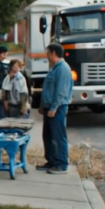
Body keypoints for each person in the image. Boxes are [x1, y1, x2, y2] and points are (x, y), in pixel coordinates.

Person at [38, 42, 74, 174]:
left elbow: (61, 91)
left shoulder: (63, 68)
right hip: (49, 107)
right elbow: (48, 89)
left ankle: (61, 163)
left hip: (57, 108)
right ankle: (51, 161)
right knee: (48, 135)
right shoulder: (54, 68)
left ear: (53, 53)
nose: (46, 55)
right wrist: (43, 106)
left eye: (48, 53)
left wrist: (53, 108)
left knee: (58, 136)